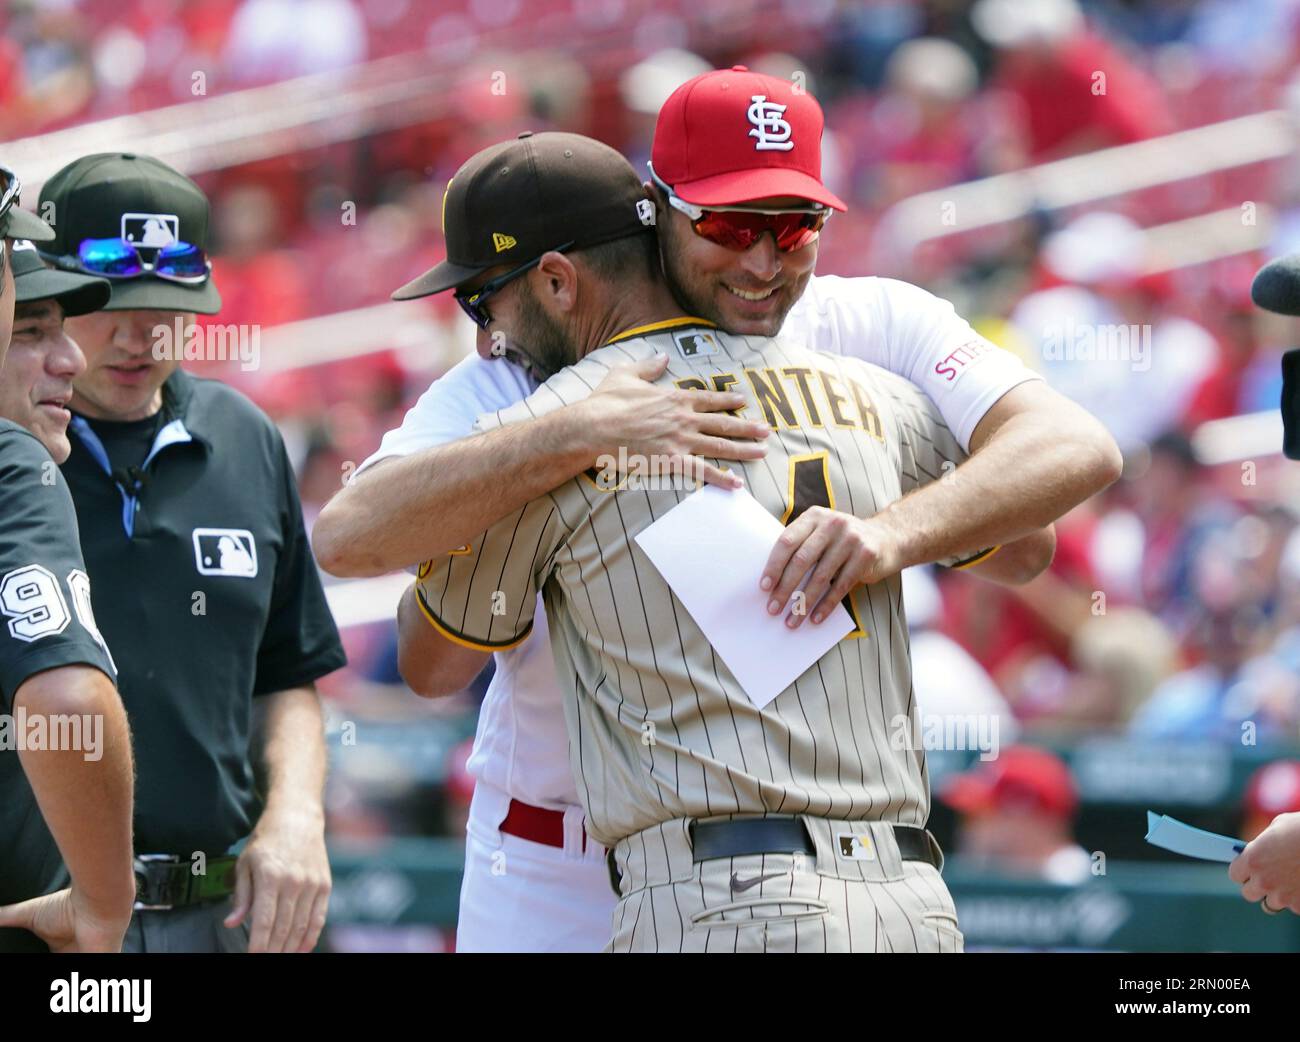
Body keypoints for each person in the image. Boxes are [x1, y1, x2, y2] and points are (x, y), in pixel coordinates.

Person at [314, 67, 1120, 952]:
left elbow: (1047, 496)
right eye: (731, 225)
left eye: (795, 226)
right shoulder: (522, 385)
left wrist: (890, 532)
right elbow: (349, 536)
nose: (763, 260)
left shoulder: (867, 328)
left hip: (781, 859)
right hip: (557, 849)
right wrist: (578, 433)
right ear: (660, 212)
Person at [35, 152, 347, 953]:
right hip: (43, 915)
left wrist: (296, 815)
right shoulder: (13, 445)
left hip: (219, 915)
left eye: (169, 308)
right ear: (47, 294)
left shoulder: (244, 436)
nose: (142, 336)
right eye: (111, 304)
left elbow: (287, 674)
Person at [0, 176, 134, 953]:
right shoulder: (13, 464)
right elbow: (70, 705)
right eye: (29, 328)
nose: (72, 360)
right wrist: (103, 912)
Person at [939, 745, 1091, 885]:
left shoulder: (1078, 884)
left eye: (981, 817)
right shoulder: (980, 879)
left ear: (1028, 819)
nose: (968, 831)